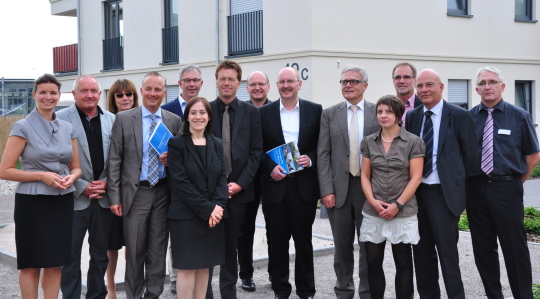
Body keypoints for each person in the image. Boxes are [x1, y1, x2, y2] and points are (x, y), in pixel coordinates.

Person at [0, 73, 82, 299]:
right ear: (34, 95)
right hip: (32, 204)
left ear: (59, 95)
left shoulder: (68, 128)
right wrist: (42, 176)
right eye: (43, 92)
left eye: (53, 93)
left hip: (62, 201)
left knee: (55, 263)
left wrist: (72, 178)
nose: (48, 97)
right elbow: (4, 170)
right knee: (31, 264)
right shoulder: (21, 126)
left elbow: (76, 167)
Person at [467, 66, 540, 299]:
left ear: (502, 86)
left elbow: (533, 155)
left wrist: (515, 182)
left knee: (514, 248)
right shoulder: (468, 118)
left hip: (507, 188)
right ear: (477, 88)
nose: (487, 87)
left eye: (492, 82)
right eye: (483, 83)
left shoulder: (519, 116)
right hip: (476, 189)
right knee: (483, 249)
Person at [108, 71, 182, 299]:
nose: (152, 93)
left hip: (162, 192)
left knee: (158, 251)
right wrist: (115, 197)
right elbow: (115, 159)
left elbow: (181, 160)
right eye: (148, 89)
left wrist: (173, 160)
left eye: (157, 89)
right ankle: (133, 295)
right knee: (135, 252)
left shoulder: (173, 120)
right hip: (136, 193)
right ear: (141, 91)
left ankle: (153, 295)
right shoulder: (124, 119)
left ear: (164, 92)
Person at [405, 69, 478, 299]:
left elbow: (471, 157)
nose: (424, 90)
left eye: (429, 85)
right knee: (422, 257)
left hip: (444, 197)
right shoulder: (413, 116)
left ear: (441, 87)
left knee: (448, 257)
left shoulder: (459, 115)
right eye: (420, 86)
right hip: (417, 196)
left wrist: (456, 186)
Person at [259, 67, 322, 299]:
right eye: (282, 82)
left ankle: (306, 290)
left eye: (290, 81)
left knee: (304, 241)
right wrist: (269, 168)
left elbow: (321, 145)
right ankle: (281, 289)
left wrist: (311, 158)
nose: (286, 85)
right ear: (276, 85)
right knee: (277, 242)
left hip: (303, 186)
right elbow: (256, 149)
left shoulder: (315, 111)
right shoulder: (264, 113)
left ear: (299, 84)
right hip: (275, 185)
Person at [317, 65, 379, 299]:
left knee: (369, 247)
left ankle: (368, 292)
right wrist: (326, 190)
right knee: (342, 249)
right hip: (339, 191)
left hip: (369, 190)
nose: (348, 85)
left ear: (365, 85)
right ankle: (343, 292)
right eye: (344, 82)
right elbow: (323, 154)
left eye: (353, 81)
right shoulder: (330, 114)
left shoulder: (378, 112)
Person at [206, 60, 263, 299]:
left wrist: (240, 184)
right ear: (216, 81)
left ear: (238, 83)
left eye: (231, 79)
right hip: (210, 193)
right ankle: (205, 293)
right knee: (208, 247)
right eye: (222, 78)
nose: (226, 83)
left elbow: (256, 152)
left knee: (231, 248)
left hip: (239, 192)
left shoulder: (251, 113)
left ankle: (228, 293)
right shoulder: (204, 111)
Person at [359, 95, 424, 299]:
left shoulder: (413, 142)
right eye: (380, 111)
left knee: (403, 262)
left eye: (388, 111)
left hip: (403, 212)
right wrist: (372, 201)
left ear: (398, 115)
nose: (383, 115)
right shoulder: (369, 141)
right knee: (372, 261)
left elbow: (416, 177)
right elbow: (365, 174)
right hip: (374, 210)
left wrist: (397, 204)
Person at [57, 75, 116, 299]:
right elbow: (56, 159)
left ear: (100, 94)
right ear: (74, 94)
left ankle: (96, 295)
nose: (89, 95)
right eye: (84, 91)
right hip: (74, 198)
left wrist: (108, 182)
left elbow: (119, 158)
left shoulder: (112, 120)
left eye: (94, 91)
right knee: (70, 257)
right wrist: (80, 185)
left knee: (100, 255)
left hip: (103, 199)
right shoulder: (60, 119)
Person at [167, 97, 228, 299]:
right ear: (187, 117)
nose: (198, 116)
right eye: (193, 113)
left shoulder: (216, 144)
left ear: (209, 117)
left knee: (205, 267)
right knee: (186, 268)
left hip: (212, 217)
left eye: (202, 112)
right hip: (185, 216)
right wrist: (208, 208)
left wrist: (218, 207)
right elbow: (181, 183)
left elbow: (221, 177)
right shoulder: (176, 144)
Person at [162, 65, 203, 294]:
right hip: (172, 181)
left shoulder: (206, 108)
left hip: (199, 183)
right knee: (175, 231)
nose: (191, 84)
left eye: (195, 80)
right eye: (187, 80)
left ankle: (195, 272)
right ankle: (176, 275)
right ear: (179, 84)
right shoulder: (166, 110)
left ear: (201, 83)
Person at [237, 70, 272, 293]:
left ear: (269, 87)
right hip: (246, 178)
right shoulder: (240, 111)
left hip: (273, 178)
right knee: (244, 229)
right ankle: (246, 274)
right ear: (247, 88)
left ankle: (275, 272)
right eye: (252, 84)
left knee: (275, 229)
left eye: (261, 84)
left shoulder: (276, 111)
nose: (257, 87)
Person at [104, 78, 139, 299]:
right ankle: (111, 289)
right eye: (120, 95)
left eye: (129, 94)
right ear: (113, 99)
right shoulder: (105, 121)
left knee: (133, 245)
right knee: (112, 244)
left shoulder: (143, 120)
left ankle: (132, 286)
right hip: (112, 191)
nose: (125, 98)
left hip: (136, 192)